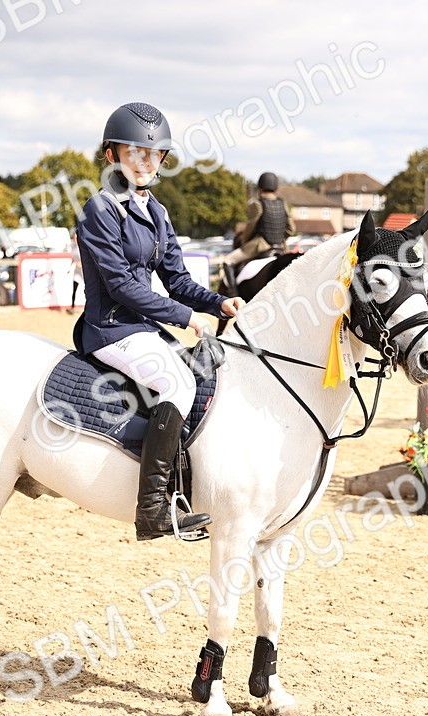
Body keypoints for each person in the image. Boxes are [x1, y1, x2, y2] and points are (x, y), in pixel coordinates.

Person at [76, 102, 244, 541]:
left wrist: (217, 303)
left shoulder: (158, 212)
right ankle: (151, 509)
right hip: (109, 328)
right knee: (179, 383)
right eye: (135, 152)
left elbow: (177, 279)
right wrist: (186, 318)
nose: (147, 162)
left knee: (210, 375)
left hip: (144, 328)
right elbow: (119, 287)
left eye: (155, 155)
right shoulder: (100, 208)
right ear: (112, 155)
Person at [220, 171, 296, 283]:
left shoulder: (257, 204)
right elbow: (291, 229)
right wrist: (280, 238)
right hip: (281, 247)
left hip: (260, 245)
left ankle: (233, 293)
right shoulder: (282, 203)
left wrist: (244, 242)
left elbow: (251, 226)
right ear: (276, 190)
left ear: (260, 189)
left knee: (228, 260)